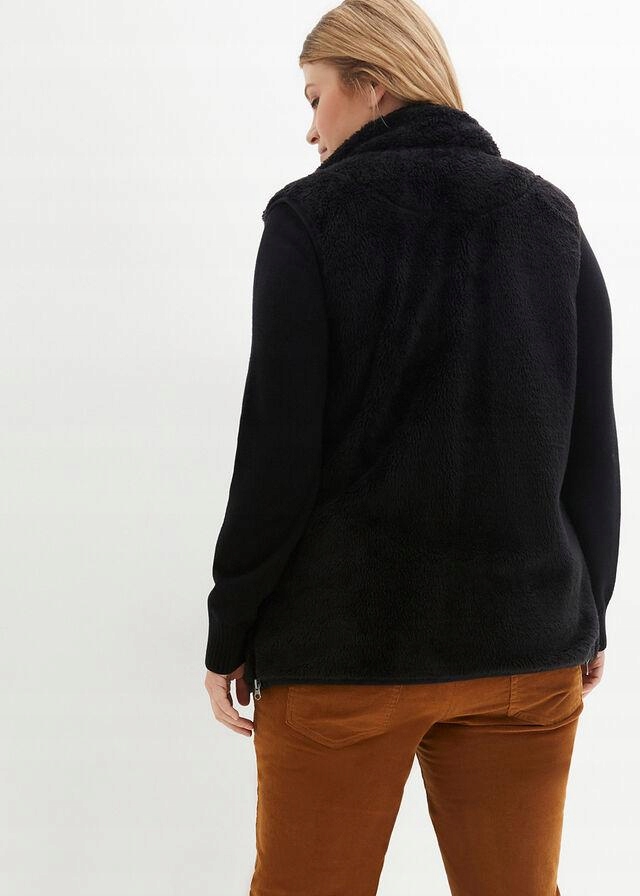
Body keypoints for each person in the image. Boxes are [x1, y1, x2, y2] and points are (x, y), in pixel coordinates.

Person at [203, 1, 621, 893]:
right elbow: (592, 441)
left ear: (373, 85)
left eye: (316, 98)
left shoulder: (309, 220)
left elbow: (276, 455)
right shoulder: (551, 217)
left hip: (345, 653)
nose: (310, 130)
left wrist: (229, 627)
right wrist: (588, 609)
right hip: (527, 650)